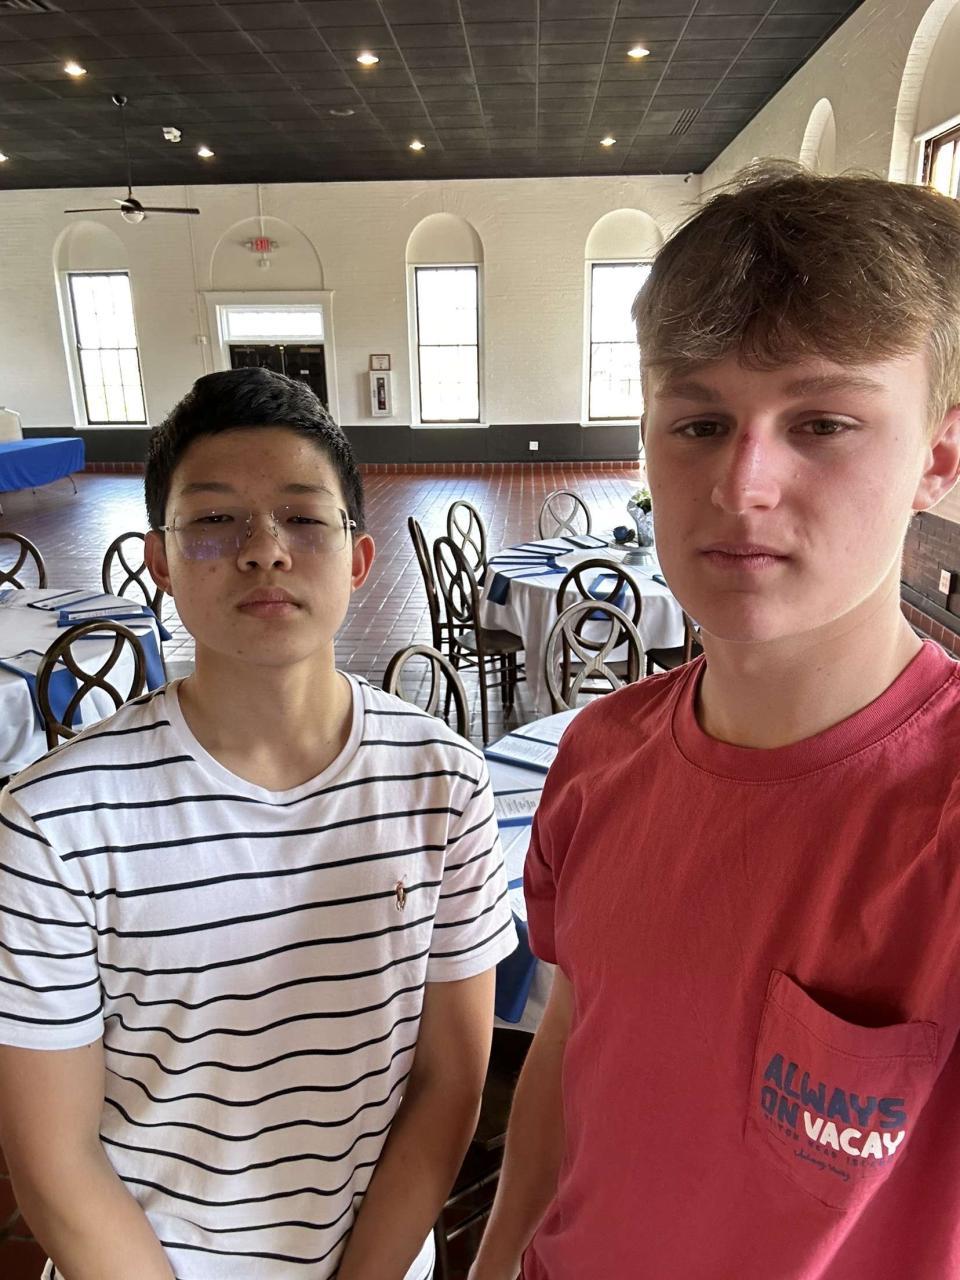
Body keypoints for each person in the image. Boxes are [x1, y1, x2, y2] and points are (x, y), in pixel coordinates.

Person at [468, 162, 960, 1279]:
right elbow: (570, 1046)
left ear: (936, 456)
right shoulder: (597, 756)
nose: (742, 486)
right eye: (698, 422)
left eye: (823, 422)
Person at [0, 368, 516, 1280]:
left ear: (357, 560)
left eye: (303, 518)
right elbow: (54, 1159)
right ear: (160, 563)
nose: (264, 550)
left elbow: (449, 1084)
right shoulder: (53, 822)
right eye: (214, 519)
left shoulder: (443, 782)